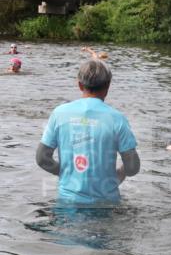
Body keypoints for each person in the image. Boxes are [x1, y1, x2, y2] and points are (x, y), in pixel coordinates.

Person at [36, 59, 140, 204]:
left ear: (79, 85)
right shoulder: (117, 119)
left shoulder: (59, 113)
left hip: (68, 203)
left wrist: (66, 173)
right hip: (106, 204)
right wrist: (118, 175)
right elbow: (133, 167)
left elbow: (42, 159)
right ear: (108, 86)